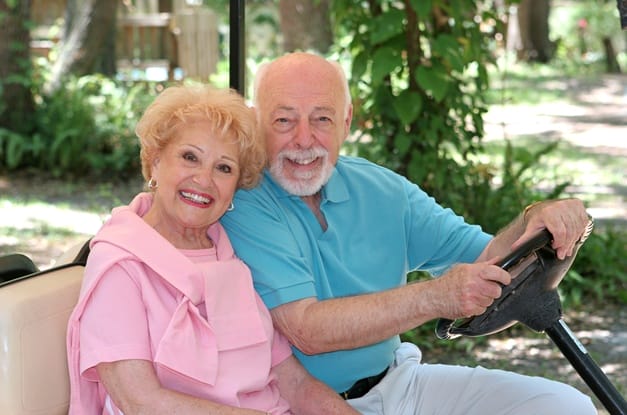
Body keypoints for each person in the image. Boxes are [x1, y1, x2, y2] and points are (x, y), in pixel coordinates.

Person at [220, 52, 597, 414]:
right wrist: (436, 297)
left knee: (564, 406)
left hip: (397, 383)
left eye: (322, 119)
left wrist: (537, 218)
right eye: (284, 121)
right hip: (295, 404)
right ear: (256, 124)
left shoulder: (381, 189)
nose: (304, 140)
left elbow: (493, 263)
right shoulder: (245, 201)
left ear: (347, 121)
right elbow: (307, 330)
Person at [66, 84, 359, 415]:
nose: (204, 180)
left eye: (224, 168)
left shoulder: (228, 255)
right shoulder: (119, 264)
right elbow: (142, 402)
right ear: (155, 161)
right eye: (190, 157)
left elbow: (295, 384)